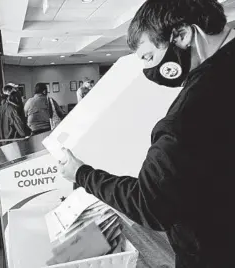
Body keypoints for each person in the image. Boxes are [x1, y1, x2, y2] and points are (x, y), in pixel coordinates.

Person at [59, 1, 235, 267]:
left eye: (149, 57)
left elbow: (151, 204)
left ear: (182, 35)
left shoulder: (193, 109)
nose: (149, 72)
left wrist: (81, 173)